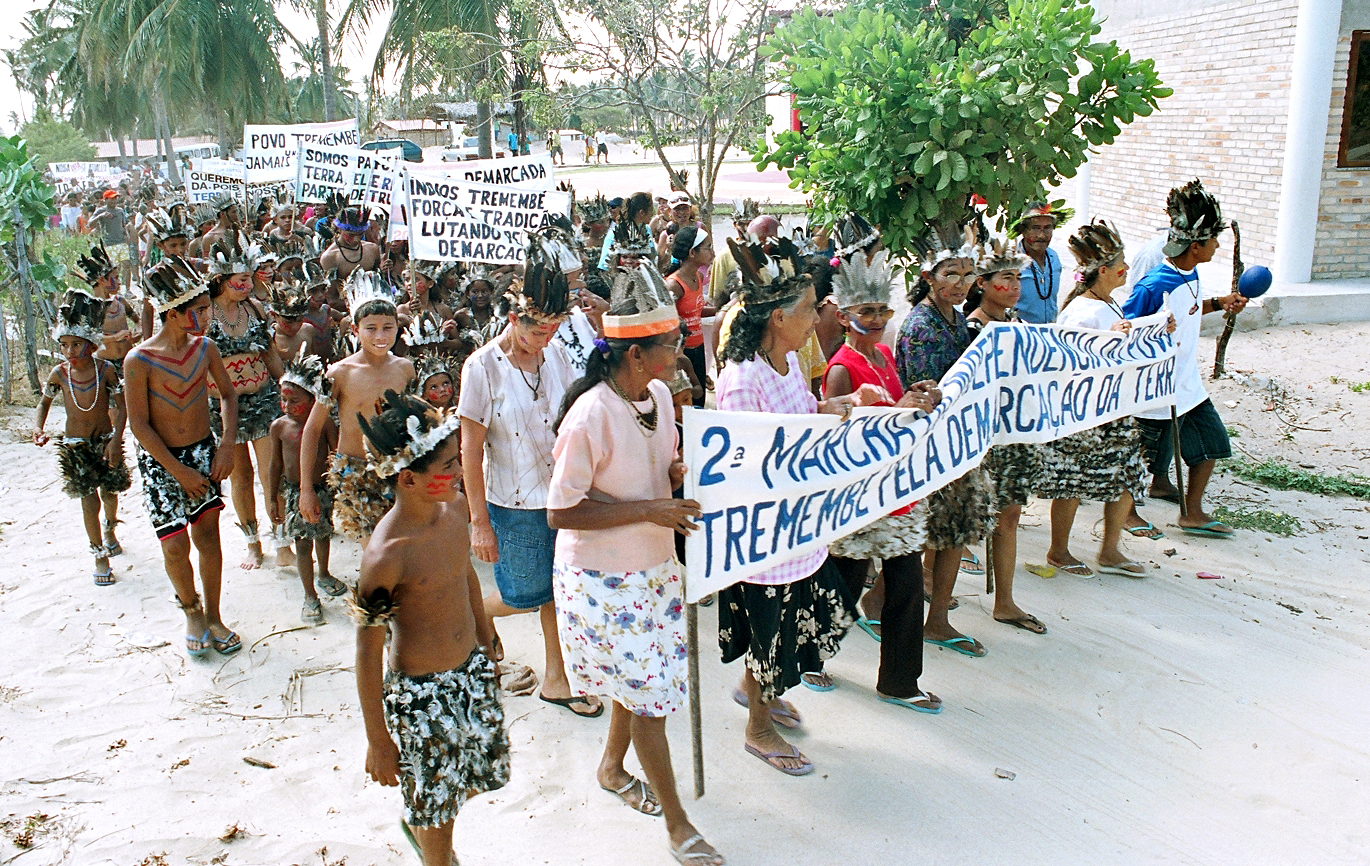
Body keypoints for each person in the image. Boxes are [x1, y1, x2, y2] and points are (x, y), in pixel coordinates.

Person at [547, 273, 724, 866]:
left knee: (641, 682)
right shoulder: (589, 414)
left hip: (654, 570)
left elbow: (655, 468)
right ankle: (678, 825)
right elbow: (560, 510)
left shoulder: (662, 401)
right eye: (673, 343)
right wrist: (651, 507)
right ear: (636, 354)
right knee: (650, 697)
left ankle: (610, 767)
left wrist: (675, 477)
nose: (684, 350)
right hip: (602, 582)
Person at [716, 238, 876, 776]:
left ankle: (754, 692)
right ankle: (758, 729)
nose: (818, 316)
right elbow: (748, 469)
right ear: (778, 316)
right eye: (810, 308)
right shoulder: (742, 379)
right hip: (767, 543)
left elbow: (806, 416)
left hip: (801, 531)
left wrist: (850, 405)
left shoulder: (785, 360)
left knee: (797, 628)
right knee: (772, 634)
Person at [352, 391, 509, 866]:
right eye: (448, 464)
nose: (459, 472)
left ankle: (423, 828)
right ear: (408, 478)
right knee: (437, 805)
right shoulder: (386, 555)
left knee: (463, 779)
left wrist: (485, 638)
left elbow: (463, 572)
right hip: (421, 696)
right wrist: (378, 739)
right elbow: (366, 653)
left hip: (468, 674)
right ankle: (434, 852)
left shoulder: (454, 509)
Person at [459, 231, 602, 717]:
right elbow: (470, 448)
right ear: (515, 317)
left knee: (556, 592)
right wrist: (479, 521)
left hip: (561, 495)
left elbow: (572, 415)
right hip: (513, 502)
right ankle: (465, 610)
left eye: (555, 328)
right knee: (525, 594)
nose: (546, 339)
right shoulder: (482, 368)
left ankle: (558, 679)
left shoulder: (557, 352)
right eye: (538, 329)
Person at [821, 245, 942, 710]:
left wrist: (911, 397)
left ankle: (899, 681)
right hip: (860, 499)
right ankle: (811, 658)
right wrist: (897, 410)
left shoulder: (886, 357)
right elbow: (838, 439)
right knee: (845, 585)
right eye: (865, 311)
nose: (874, 319)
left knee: (907, 589)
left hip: (897, 494)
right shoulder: (839, 370)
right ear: (845, 314)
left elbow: (893, 412)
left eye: (881, 310)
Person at [125, 258, 240, 658]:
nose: (207, 317)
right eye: (200, 310)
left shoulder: (205, 349)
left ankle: (213, 614)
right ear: (173, 314)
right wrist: (177, 471)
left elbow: (227, 395)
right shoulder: (138, 360)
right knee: (175, 546)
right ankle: (191, 611)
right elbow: (139, 424)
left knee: (208, 536)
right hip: (162, 463)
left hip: (204, 452)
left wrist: (226, 445)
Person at [1121, 179, 1247, 538]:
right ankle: (1127, 515)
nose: (1218, 246)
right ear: (1195, 246)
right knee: (1138, 457)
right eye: (1212, 241)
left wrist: (1219, 303)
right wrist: (1152, 332)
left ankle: (1192, 513)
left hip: (1186, 383)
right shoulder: (1155, 284)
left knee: (1211, 442)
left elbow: (1188, 311)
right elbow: (1125, 327)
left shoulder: (1189, 273)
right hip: (1152, 387)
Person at [1040, 219, 1159, 575]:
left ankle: (1110, 550)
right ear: (1103, 270)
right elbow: (1070, 359)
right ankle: (1058, 551)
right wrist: (1110, 338)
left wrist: (1149, 329)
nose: (1126, 268)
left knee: (1125, 477)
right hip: (1084, 413)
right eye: (1120, 263)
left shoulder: (1109, 304)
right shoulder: (1080, 312)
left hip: (1115, 409)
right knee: (1072, 481)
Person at [895, 237, 994, 658]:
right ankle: (923, 616)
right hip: (932, 446)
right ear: (928, 277)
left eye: (968, 274)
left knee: (950, 532)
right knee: (927, 534)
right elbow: (928, 393)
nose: (960, 283)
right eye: (950, 274)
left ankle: (932, 616)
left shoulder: (956, 320)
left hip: (958, 442)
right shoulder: (921, 327)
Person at [963, 238, 1046, 632]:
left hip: (1015, 436)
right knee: (966, 519)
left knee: (1009, 516)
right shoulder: (972, 331)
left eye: (1018, 278)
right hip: (983, 441)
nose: (1014, 286)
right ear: (982, 282)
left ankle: (1005, 600)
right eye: (1006, 278)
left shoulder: (1020, 327)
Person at [300, 270, 415, 544]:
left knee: (402, 547)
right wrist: (306, 488)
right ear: (355, 329)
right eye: (371, 328)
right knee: (375, 550)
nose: (380, 335)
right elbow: (312, 429)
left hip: (399, 468)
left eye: (388, 327)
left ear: (398, 327)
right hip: (356, 475)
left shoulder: (405, 369)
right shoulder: (341, 373)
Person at [32, 291, 130, 585]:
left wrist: (115, 441)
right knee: (88, 499)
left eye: (76, 344)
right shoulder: (58, 374)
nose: (70, 351)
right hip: (76, 445)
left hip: (105, 440)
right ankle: (99, 553)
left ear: (91, 344)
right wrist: (39, 428)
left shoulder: (106, 370)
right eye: (64, 345)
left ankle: (110, 528)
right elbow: (44, 403)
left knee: (110, 494)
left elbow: (122, 407)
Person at [204, 231, 286, 569]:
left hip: (263, 400)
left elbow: (270, 353)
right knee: (239, 476)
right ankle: (252, 543)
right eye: (241, 279)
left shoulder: (254, 309)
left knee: (271, 473)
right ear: (222, 280)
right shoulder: (204, 314)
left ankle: (281, 541)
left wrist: (287, 385)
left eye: (250, 278)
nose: (249, 285)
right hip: (223, 407)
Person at [267, 348, 345, 625]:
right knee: (302, 545)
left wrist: (342, 488)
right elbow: (274, 466)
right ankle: (309, 594)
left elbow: (336, 455)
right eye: (283, 400)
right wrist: (272, 497)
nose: (287, 406)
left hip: (323, 491)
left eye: (294, 400)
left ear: (314, 402)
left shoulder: (324, 424)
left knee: (323, 534)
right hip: (294, 493)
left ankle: (323, 573)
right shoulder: (278, 427)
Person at [662, 225, 715, 408]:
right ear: (692, 253)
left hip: (698, 349)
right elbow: (667, 323)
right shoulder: (674, 285)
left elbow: (696, 312)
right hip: (682, 354)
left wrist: (721, 309)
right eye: (708, 247)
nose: (713, 253)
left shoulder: (698, 278)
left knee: (699, 400)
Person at [75, 244, 139, 378]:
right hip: (104, 364)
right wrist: (115, 337)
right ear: (102, 280)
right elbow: (89, 338)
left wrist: (138, 331)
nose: (119, 282)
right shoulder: (90, 308)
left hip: (128, 360)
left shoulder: (120, 301)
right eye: (115, 278)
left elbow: (136, 319)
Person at [1010, 201, 1072, 325]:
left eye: (1047, 228)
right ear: (1023, 230)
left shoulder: (1054, 258)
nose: (1041, 235)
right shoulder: (1011, 261)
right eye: (1035, 228)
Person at [320, 205, 382, 281]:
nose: (356, 239)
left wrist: (385, 269)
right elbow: (331, 291)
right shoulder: (330, 257)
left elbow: (380, 278)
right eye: (351, 235)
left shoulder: (372, 249)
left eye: (360, 234)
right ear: (339, 229)